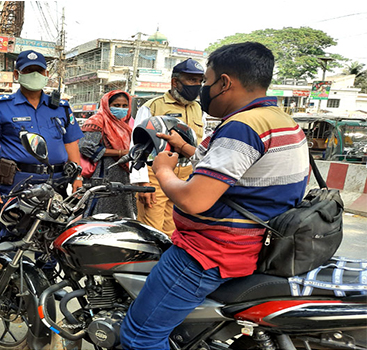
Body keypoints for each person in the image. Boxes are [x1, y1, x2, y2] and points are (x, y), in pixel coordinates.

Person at [120, 42, 309, 349]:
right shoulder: (281, 121)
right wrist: (185, 150)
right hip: (253, 243)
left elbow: (194, 200)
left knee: (140, 337)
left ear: (224, 83)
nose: (203, 89)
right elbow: (246, 173)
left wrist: (163, 169)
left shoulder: (242, 126)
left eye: (205, 82)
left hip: (208, 252)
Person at [0, 49, 84, 242]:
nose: (35, 75)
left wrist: (77, 176)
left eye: (39, 70)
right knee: (12, 240)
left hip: (56, 181)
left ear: (46, 74)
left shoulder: (61, 107)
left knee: (51, 241)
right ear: (17, 74)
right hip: (17, 182)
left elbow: (71, 143)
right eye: (29, 70)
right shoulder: (0, 106)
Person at [130, 58, 205, 237]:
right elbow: (136, 146)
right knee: (152, 233)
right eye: (191, 80)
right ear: (175, 82)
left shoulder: (198, 109)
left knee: (175, 231)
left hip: (186, 178)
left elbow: (201, 144)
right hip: (155, 177)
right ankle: (152, 266)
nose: (197, 85)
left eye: (200, 81)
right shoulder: (153, 107)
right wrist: (142, 183)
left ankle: (167, 264)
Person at [79, 90, 135, 217]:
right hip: (103, 172)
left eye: (125, 106)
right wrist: (120, 152)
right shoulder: (97, 121)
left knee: (123, 210)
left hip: (123, 174)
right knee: (101, 210)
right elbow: (85, 147)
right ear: (106, 105)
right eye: (116, 105)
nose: (121, 109)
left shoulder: (127, 123)